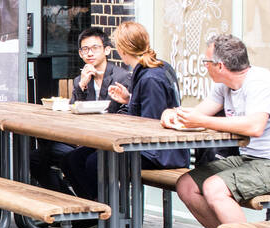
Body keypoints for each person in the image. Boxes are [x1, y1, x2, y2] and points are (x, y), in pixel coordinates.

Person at [166, 34, 270, 228]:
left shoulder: (260, 83)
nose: (205, 66)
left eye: (206, 61)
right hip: (252, 159)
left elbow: (255, 126)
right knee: (187, 185)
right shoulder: (223, 86)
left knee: (214, 187)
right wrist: (172, 114)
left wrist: (200, 121)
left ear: (220, 66)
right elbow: (199, 114)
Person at [60, 22, 186, 200]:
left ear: (122, 50)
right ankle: (99, 211)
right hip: (151, 147)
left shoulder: (150, 77)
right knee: (72, 159)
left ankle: (112, 214)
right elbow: (150, 110)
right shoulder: (153, 68)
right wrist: (129, 99)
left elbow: (151, 125)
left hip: (159, 152)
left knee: (94, 162)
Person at [29, 27, 131, 192]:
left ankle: (92, 205)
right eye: (85, 49)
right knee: (36, 158)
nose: (90, 53)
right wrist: (82, 86)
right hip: (82, 141)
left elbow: (126, 114)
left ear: (106, 50)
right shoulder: (80, 80)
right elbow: (74, 112)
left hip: (106, 144)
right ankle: (68, 201)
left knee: (74, 160)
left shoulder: (121, 77)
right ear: (80, 54)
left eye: (95, 48)